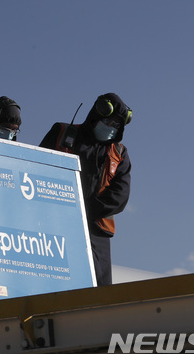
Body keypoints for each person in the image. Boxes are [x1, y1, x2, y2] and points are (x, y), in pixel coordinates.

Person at [39, 93, 132, 286]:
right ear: (97, 115)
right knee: (52, 277)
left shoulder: (119, 153)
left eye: (116, 126)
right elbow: (37, 168)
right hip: (55, 221)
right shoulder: (62, 133)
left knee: (99, 286)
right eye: (108, 122)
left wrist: (86, 210)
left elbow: (120, 195)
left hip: (95, 228)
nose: (111, 129)